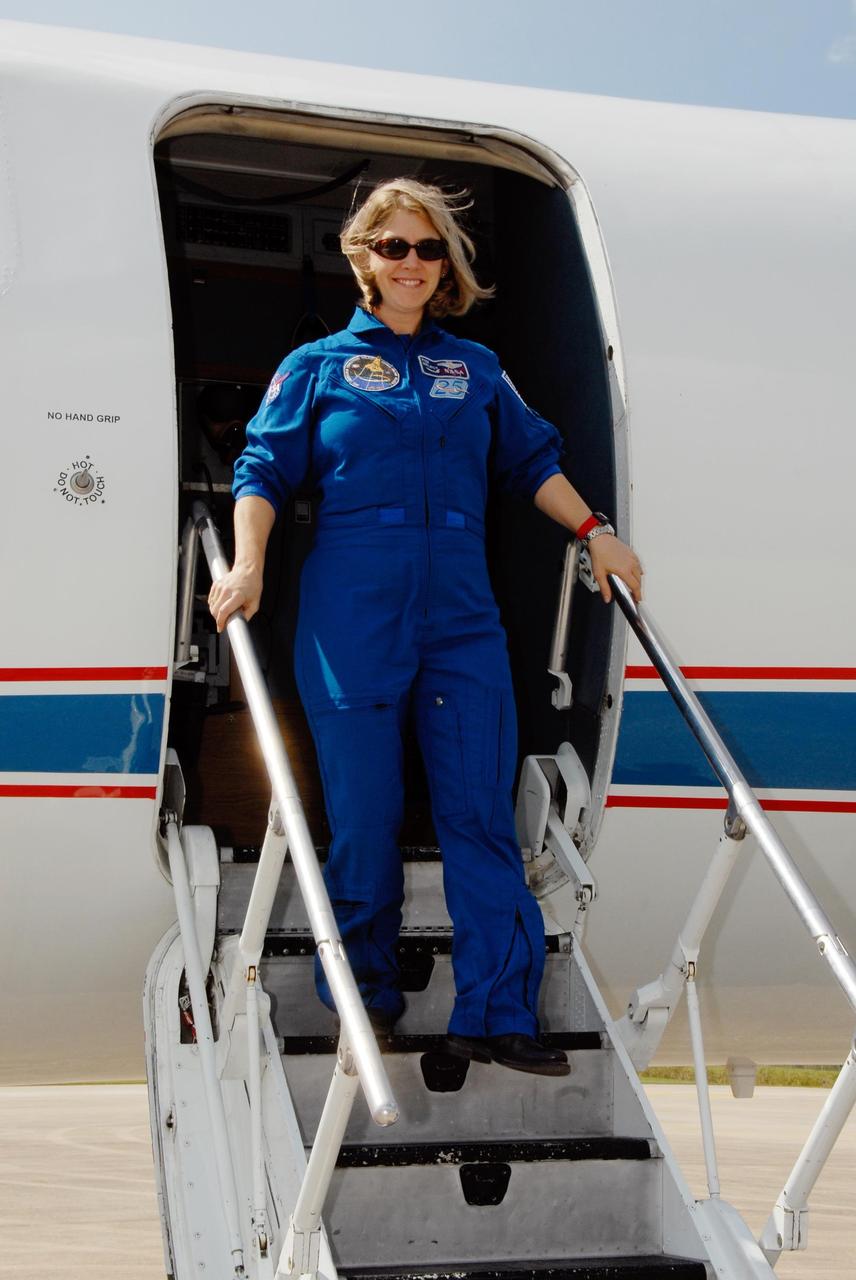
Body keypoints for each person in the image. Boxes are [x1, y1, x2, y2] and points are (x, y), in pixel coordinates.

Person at [209, 179, 643, 1077]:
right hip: (352, 608)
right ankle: (364, 1004)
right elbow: (262, 468)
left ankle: (495, 1011)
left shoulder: (476, 369)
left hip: (460, 614)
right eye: (396, 247)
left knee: (478, 817)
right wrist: (248, 564)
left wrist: (594, 532)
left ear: (447, 266)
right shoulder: (318, 365)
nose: (413, 263)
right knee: (363, 820)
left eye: (430, 249)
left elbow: (532, 460)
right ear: (364, 256)